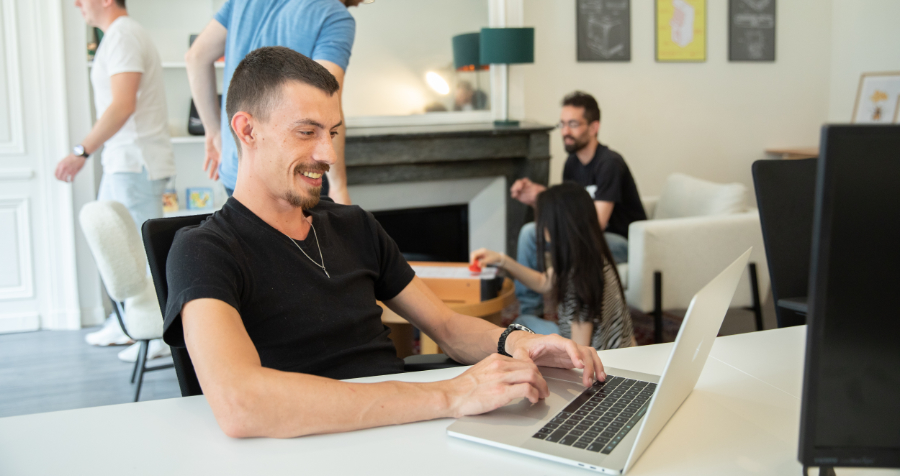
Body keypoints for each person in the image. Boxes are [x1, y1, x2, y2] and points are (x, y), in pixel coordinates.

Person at [163, 47, 607, 438]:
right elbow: (241, 404)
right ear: (247, 130)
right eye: (307, 132)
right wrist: (449, 395)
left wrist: (519, 342)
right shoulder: (203, 250)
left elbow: (449, 329)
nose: (328, 154)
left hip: (403, 432)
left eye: (333, 132)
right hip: (303, 450)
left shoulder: (354, 226)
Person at [186, 0, 399, 205]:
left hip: (237, 170)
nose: (361, 1)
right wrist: (339, 187)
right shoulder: (335, 16)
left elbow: (196, 56)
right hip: (293, 175)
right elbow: (328, 101)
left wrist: (214, 132)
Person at [56, 0, 175, 359]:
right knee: (116, 247)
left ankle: (159, 336)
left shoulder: (124, 36)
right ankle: (126, 323)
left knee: (140, 251)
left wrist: (80, 152)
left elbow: (122, 106)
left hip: (135, 161)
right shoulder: (116, 38)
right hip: (123, 161)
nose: (78, 3)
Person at [511, 91, 646, 317]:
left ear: (594, 127)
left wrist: (545, 195)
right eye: (562, 124)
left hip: (619, 242)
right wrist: (539, 199)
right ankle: (530, 313)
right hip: (587, 237)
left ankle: (576, 317)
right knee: (528, 233)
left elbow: (596, 224)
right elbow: (565, 215)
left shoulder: (609, 163)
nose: (565, 132)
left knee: (573, 240)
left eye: (573, 124)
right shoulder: (572, 164)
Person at [472, 183, 635, 350]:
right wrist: (501, 259)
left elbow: (580, 353)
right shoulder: (591, 257)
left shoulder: (578, 279)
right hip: (614, 347)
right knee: (524, 322)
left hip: (594, 355)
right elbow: (544, 282)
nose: (539, 225)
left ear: (556, 225)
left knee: (519, 325)